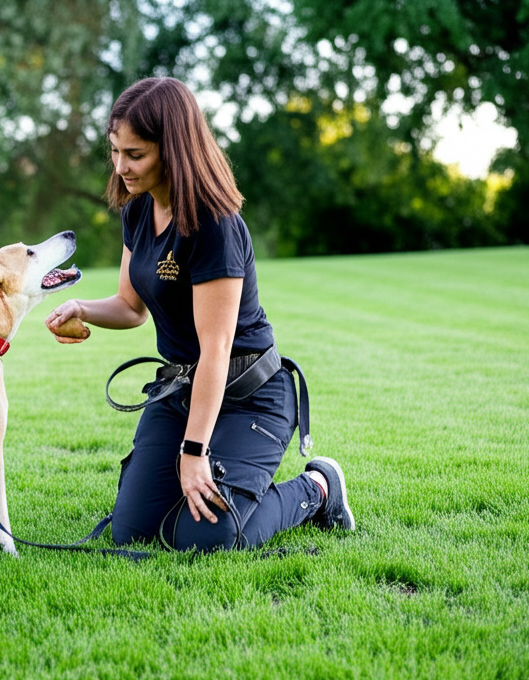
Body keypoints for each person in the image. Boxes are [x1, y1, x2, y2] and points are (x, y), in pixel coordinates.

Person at [45, 77, 355, 551]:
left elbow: (217, 349)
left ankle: (317, 490)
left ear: (173, 149)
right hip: (179, 392)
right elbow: (131, 308)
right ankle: (210, 485)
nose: (121, 166)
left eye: (135, 154)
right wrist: (81, 307)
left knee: (205, 535)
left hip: (248, 394)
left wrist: (194, 454)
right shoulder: (137, 210)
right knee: (135, 530)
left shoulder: (214, 224)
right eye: (115, 151)